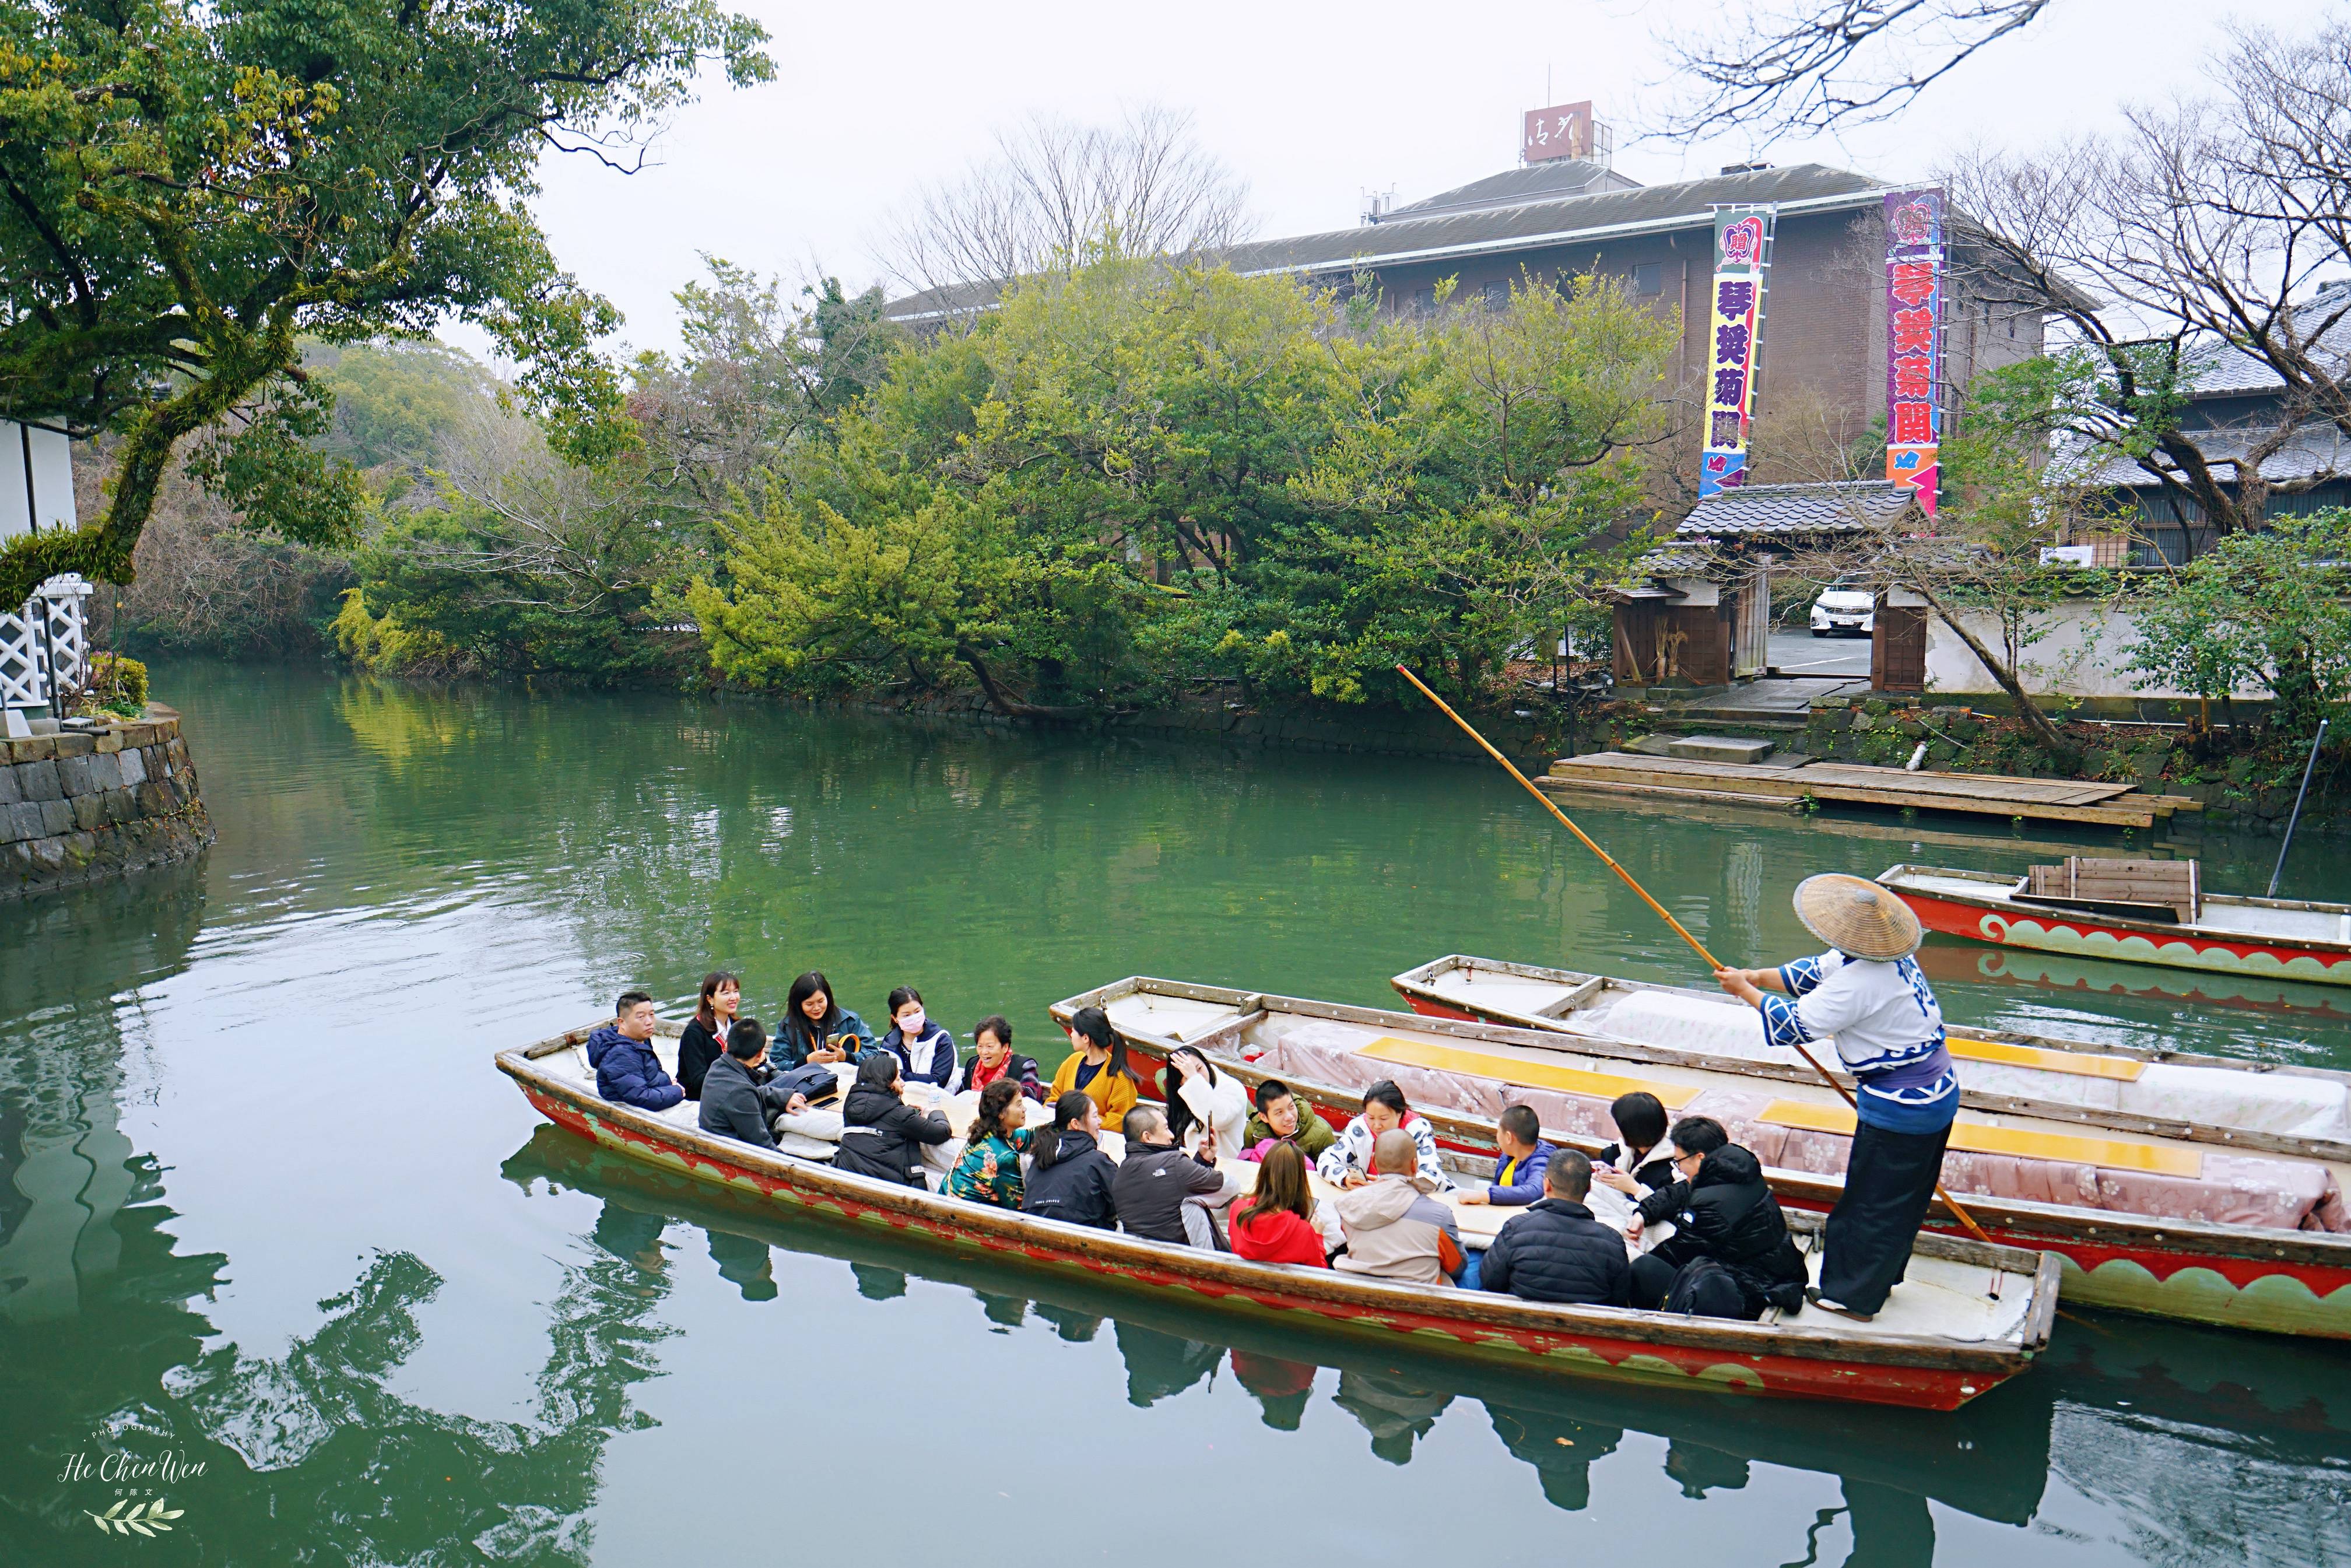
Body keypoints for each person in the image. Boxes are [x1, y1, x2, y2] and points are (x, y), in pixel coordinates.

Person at [1715, 873, 1959, 1321]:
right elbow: (1811, 972)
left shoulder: (1862, 981)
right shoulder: (1887, 957)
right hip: (1932, 1093)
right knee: (1902, 1198)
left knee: (1870, 1204)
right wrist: (1756, 976)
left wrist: (1746, 992)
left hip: (1904, 1106)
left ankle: (1851, 1297)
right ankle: (1881, 1276)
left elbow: (1794, 1025)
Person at [1624, 1117, 1809, 1320]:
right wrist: (1644, 1213)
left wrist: (1633, 1252)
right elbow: (1681, 1191)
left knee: (1642, 1269)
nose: (1680, 1169)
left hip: (1749, 1289)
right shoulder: (1736, 1170)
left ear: (1700, 1157)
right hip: (1778, 1270)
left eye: (1679, 1162)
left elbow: (1680, 1251)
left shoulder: (1711, 1206)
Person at [1478, 1149, 1633, 1306]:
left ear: (1546, 1185)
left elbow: (1491, 1282)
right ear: (1588, 1188)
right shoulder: (1612, 1242)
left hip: (1522, 1325)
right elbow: (1618, 1300)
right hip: (1582, 1329)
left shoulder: (1516, 1228)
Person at [1331, 1129, 1466, 1288]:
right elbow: (1456, 1267)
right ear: (1415, 1165)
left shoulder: (1349, 1205)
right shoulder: (1439, 1215)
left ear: (1374, 1162)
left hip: (1363, 1295)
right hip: (1419, 1305)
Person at [1111, 1104, 1237, 1245]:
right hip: (1193, 1261)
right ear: (1147, 1137)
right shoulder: (1174, 1164)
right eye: (1166, 1128)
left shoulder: (1119, 1177)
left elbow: (1171, 1189)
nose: (1171, 1135)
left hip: (1147, 1261)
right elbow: (1230, 1188)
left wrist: (1201, 1162)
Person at [832, 1053, 952, 1187]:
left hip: (848, 1174)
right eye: (898, 1079)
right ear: (887, 1083)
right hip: (887, 1185)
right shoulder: (900, 1115)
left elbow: (884, 1122)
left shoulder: (851, 1105)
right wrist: (935, 1111)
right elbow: (942, 1132)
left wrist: (909, 1113)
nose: (903, 1084)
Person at [697, 1019, 813, 1149]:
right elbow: (762, 1145)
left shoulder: (719, 1065)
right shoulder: (741, 1092)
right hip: (732, 1150)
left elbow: (753, 1090)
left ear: (727, 1045)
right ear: (760, 1055)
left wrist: (784, 1097)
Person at [1316, 1081, 1445, 1190]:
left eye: (1384, 1119)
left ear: (1400, 1113)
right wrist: (1344, 1178)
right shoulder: (1360, 1129)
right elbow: (1326, 1160)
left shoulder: (1416, 1131)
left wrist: (1386, 1185)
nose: (1376, 1125)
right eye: (1371, 1118)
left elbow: (1431, 1175)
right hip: (1371, 1197)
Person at [1021, 1091, 1118, 1228]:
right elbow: (1122, 1203)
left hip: (1035, 1234)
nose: (1100, 1121)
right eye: (1095, 1116)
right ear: (1075, 1124)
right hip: (1082, 1239)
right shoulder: (1098, 1161)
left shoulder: (1040, 1155)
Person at [1228, 1143, 1332, 1268]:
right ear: (1299, 1181)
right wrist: (1318, 1238)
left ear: (1264, 1172)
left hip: (1241, 1285)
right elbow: (1318, 1277)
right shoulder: (1303, 1231)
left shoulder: (1237, 1209)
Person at [946, 1078, 1035, 1208]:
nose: (1024, 1109)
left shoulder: (985, 1131)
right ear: (1001, 1114)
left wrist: (1064, 1120)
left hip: (950, 1202)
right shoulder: (1005, 1158)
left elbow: (1030, 1136)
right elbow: (1019, 1207)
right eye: (1019, 1104)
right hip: (968, 1219)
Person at [587, 991, 682, 1111]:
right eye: (641, 1017)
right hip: (635, 1107)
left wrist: (669, 1087)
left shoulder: (640, 1038)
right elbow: (640, 1097)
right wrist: (676, 1091)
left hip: (656, 1092)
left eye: (652, 1015)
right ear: (621, 1022)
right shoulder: (620, 1054)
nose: (649, 1022)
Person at [1047, 1006, 1138, 1132]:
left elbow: (1119, 1122)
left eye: (1073, 1031)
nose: (1071, 1035)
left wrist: (1082, 1121)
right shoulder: (1072, 1061)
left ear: (1085, 1038)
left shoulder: (1120, 1076)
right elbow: (1054, 1097)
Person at [1163, 1046, 1250, 1162]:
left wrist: (1193, 1078)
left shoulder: (1232, 1087)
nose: (1200, 1077)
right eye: (1187, 1076)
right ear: (1179, 1083)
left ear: (1206, 1063)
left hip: (1226, 1165)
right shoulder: (1183, 1094)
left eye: (1199, 1068)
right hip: (1192, 1164)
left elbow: (1218, 1119)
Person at [776, 971, 876, 1072]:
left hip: (844, 1078)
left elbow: (874, 1053)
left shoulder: (850, 1021)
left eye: (821, 1001)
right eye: (809, 1004)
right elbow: (778, 1064)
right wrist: (807, 1061)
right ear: (798, 1004)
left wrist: (846, 1057)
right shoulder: (787, 1026)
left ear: (828, 998)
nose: (816, 1008)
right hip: (807, 1082)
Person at [1457, 1104, 1554, 1208]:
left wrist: (1485, 1196)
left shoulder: (1542, 1160)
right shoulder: (1509, 1156)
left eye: (1498, 1131)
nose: (1497, 1136)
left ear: (1509, 1137)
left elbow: (1533, 1190)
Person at [1591, 1090, 1676, 1199]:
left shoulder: (1674, 1166)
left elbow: (1670, 1208)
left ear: (1633, 1131)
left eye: (1620, 1126)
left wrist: (1635, 1189)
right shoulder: (1616, 1152)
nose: (1617, 1130)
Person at [676, 971, 742, 1102]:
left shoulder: (738, 1026)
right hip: (700, 1097)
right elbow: (699, 1080)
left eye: (736, 991)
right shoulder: (694, 1033)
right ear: (710, 999)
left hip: (734, 1089)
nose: (733, 997)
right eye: (726, 993)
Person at [876, 985, 957, 1089]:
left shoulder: (941, 1040)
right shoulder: (888, 1045)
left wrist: (897, 1074)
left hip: (940, 1099)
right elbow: (880, 1076)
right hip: (902, 1099)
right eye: (906, 1015)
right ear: (895, 1018)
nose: (914, 1018)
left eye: (918, 1011)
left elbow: (937, 1081)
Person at [1240, 1079, 1336, 1163]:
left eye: (1291, 1107)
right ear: (1264, 1117)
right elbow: (1248, 1162)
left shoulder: (1322, 1134)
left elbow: (1330, 1169)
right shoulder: (1254, 1132)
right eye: (1279, 1113)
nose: (1289, 1117)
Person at [954, 1015, 1045, 1100]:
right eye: (980, 1046)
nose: (984, 1052)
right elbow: (961, 1098)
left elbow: (1028, 1099)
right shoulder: (972, 1065)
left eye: (990, 1046)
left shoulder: (1024, 1067)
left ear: (1005, 1047)